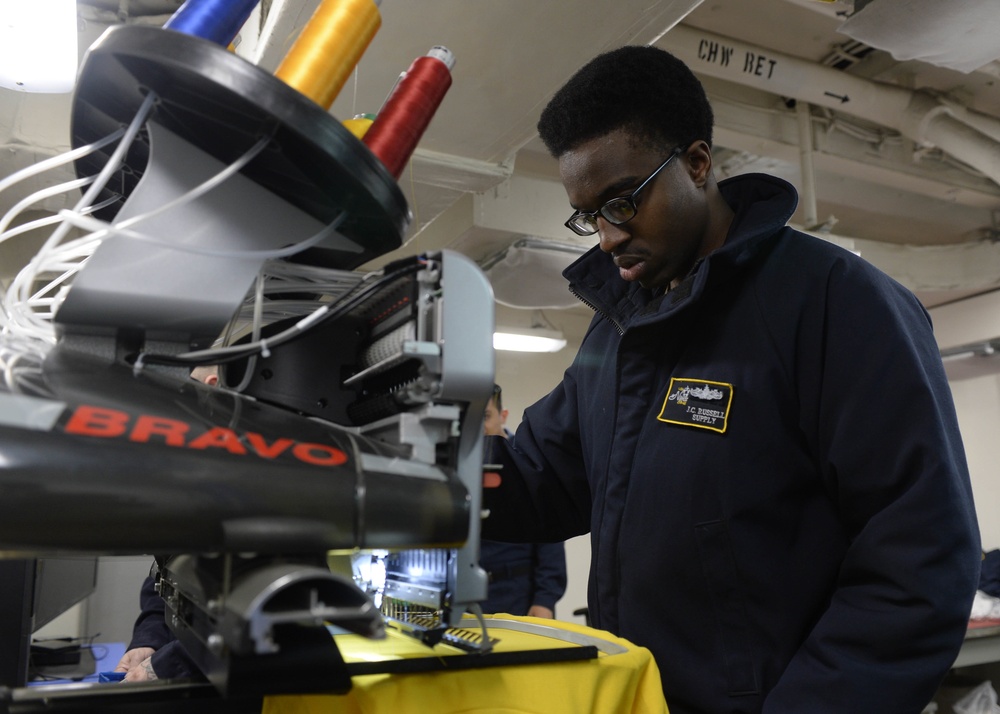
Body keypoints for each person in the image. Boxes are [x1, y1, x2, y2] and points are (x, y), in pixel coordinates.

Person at [480, 45, 982, 714]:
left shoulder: (836, 303)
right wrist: (403, 465)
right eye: (588, 215)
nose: (606, 237)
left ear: (696, 163)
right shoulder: (620, 332)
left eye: (622, 202)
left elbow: (919, 560)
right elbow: (538, 482)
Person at [479, 384, 567, 618]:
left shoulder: (527, 463)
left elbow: (550, 536)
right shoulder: (454, 465)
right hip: (466, 597)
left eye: (485, 417)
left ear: (503, 415)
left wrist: (545, 601)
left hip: (519, 597)